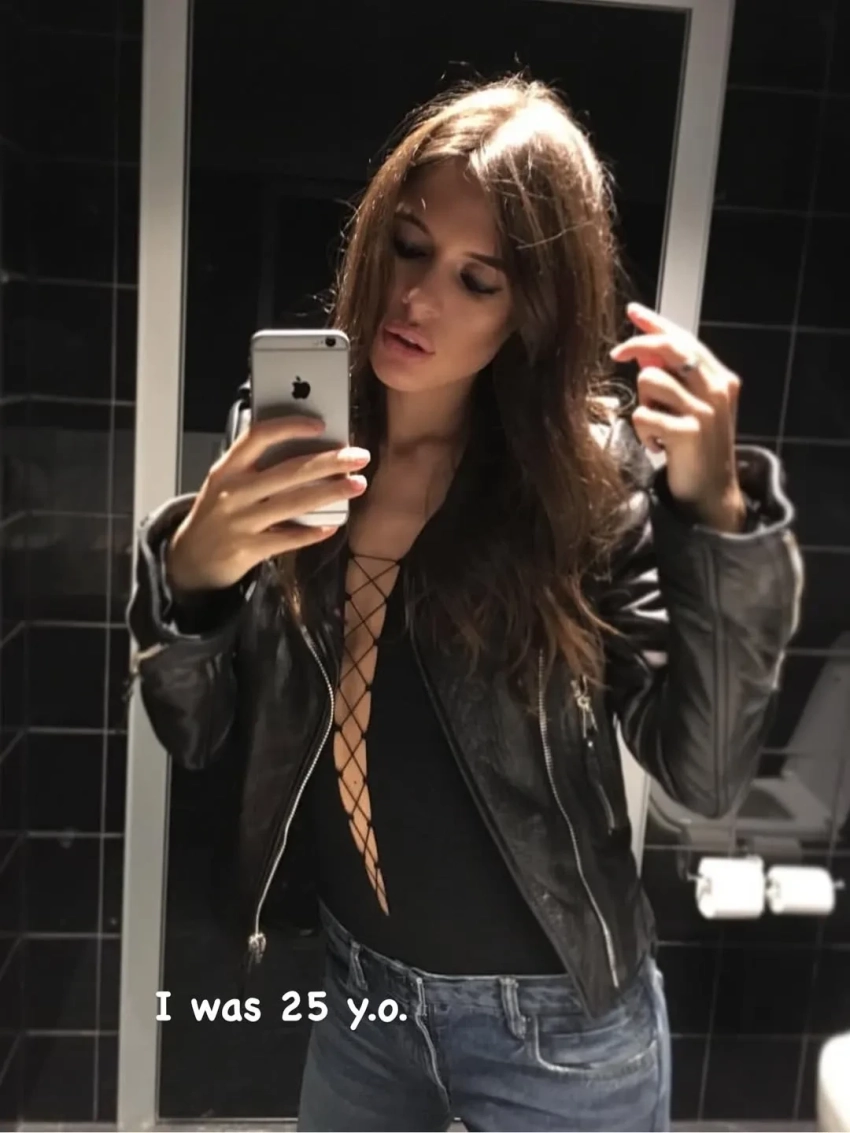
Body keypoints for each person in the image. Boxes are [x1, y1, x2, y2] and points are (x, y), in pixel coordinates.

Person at [127, 77, 802, 1133]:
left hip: (556, 1031)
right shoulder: (286, 450)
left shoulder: (583, 486)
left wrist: (716, 519)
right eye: (407, 246)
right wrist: (195, 573)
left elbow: (704, 774)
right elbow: (200, 732)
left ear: (528, 312)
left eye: (476, 278)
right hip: (362, 999)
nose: (417, 298)